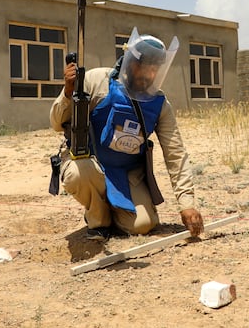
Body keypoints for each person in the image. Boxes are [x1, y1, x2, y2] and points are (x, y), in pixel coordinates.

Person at [50, 27, 204, 242]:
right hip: (91, 164)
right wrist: (68, 91)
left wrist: (187, 204)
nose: (149, 74)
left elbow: (175, 153)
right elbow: (57, 123)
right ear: (130, 62)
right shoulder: (96, 81)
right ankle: (98, 219)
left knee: (143, 225)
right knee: (79, 172)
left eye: (154, 69)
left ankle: (116, 212)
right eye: (143, 66)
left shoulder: (159, 104)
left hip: (128, 172)